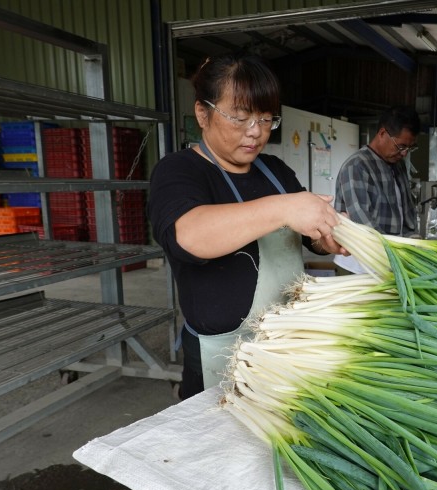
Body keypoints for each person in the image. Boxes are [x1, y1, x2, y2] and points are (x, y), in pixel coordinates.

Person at [148, 53, 345, 400]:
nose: (255, 132)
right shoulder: (179, 171)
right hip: (222, 356)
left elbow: (308, 236)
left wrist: (329, 238)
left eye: (266, 119)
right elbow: (189, 235)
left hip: (287, 345)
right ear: (202, 113)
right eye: (239, 118)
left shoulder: (275, 170)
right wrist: (284, 207)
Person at [333, 105, 421, 273]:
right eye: (401, 146)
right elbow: (363, 223)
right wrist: (396, 255)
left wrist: (415, 242)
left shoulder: (399, 165)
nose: (404, 153)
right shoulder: (357, 167)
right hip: (361, 264)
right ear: (382, 134)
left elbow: (407, 211)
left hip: (392, 260)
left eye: (410, 148)